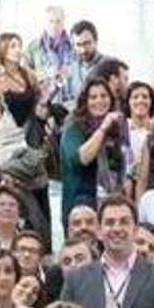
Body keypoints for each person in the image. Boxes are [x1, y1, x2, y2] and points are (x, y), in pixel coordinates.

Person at [60, 78, 128, 219]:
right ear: (85, 101)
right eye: (93, 97)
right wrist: (103, 127)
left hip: (112, 205)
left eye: (104, 96)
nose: (99, 101)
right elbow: (80, 159)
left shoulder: (117, 128)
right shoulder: (74, 128)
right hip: (81, 206)